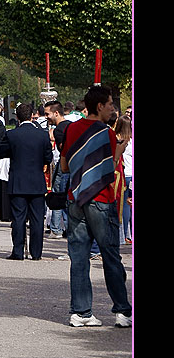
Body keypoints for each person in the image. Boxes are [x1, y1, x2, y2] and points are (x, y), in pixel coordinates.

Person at [60, 85, 132, 327]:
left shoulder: (70, 129)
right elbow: (110, 167)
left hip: (75, 197)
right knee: (110, 255)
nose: (113, 108)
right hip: (100, 199)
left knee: (79, 257)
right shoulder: (107, 134)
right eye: (111, 104)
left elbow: (64, 167)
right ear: (99, 106)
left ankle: (81, 312)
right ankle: (121, 311)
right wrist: (119, 150)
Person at [0, 103, 53, 260]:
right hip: (36, 181)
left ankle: (18, 251)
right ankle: (36, 253)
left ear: (17, 117)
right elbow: (48, 158)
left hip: (18, 181)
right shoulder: (42, 135)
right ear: (32, 116)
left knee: (18, 218)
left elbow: (0, 152)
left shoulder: (12, 135)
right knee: (37, 219)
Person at [44, 100, 71, 238]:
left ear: (56, 113)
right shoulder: (71, 126)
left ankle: (56, 228)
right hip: (70, 166)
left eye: (47, 114)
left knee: (59, 194)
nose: (46, 117)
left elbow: (63, 150)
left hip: (64, 166)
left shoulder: (59, 130)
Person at [114, 114, 132, 244]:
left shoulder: (117, 139)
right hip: (129, 174)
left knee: (121, 204)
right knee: (127, 205)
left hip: (121, 173)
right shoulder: (130, 140)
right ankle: (126, 234)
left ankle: (122, 234)